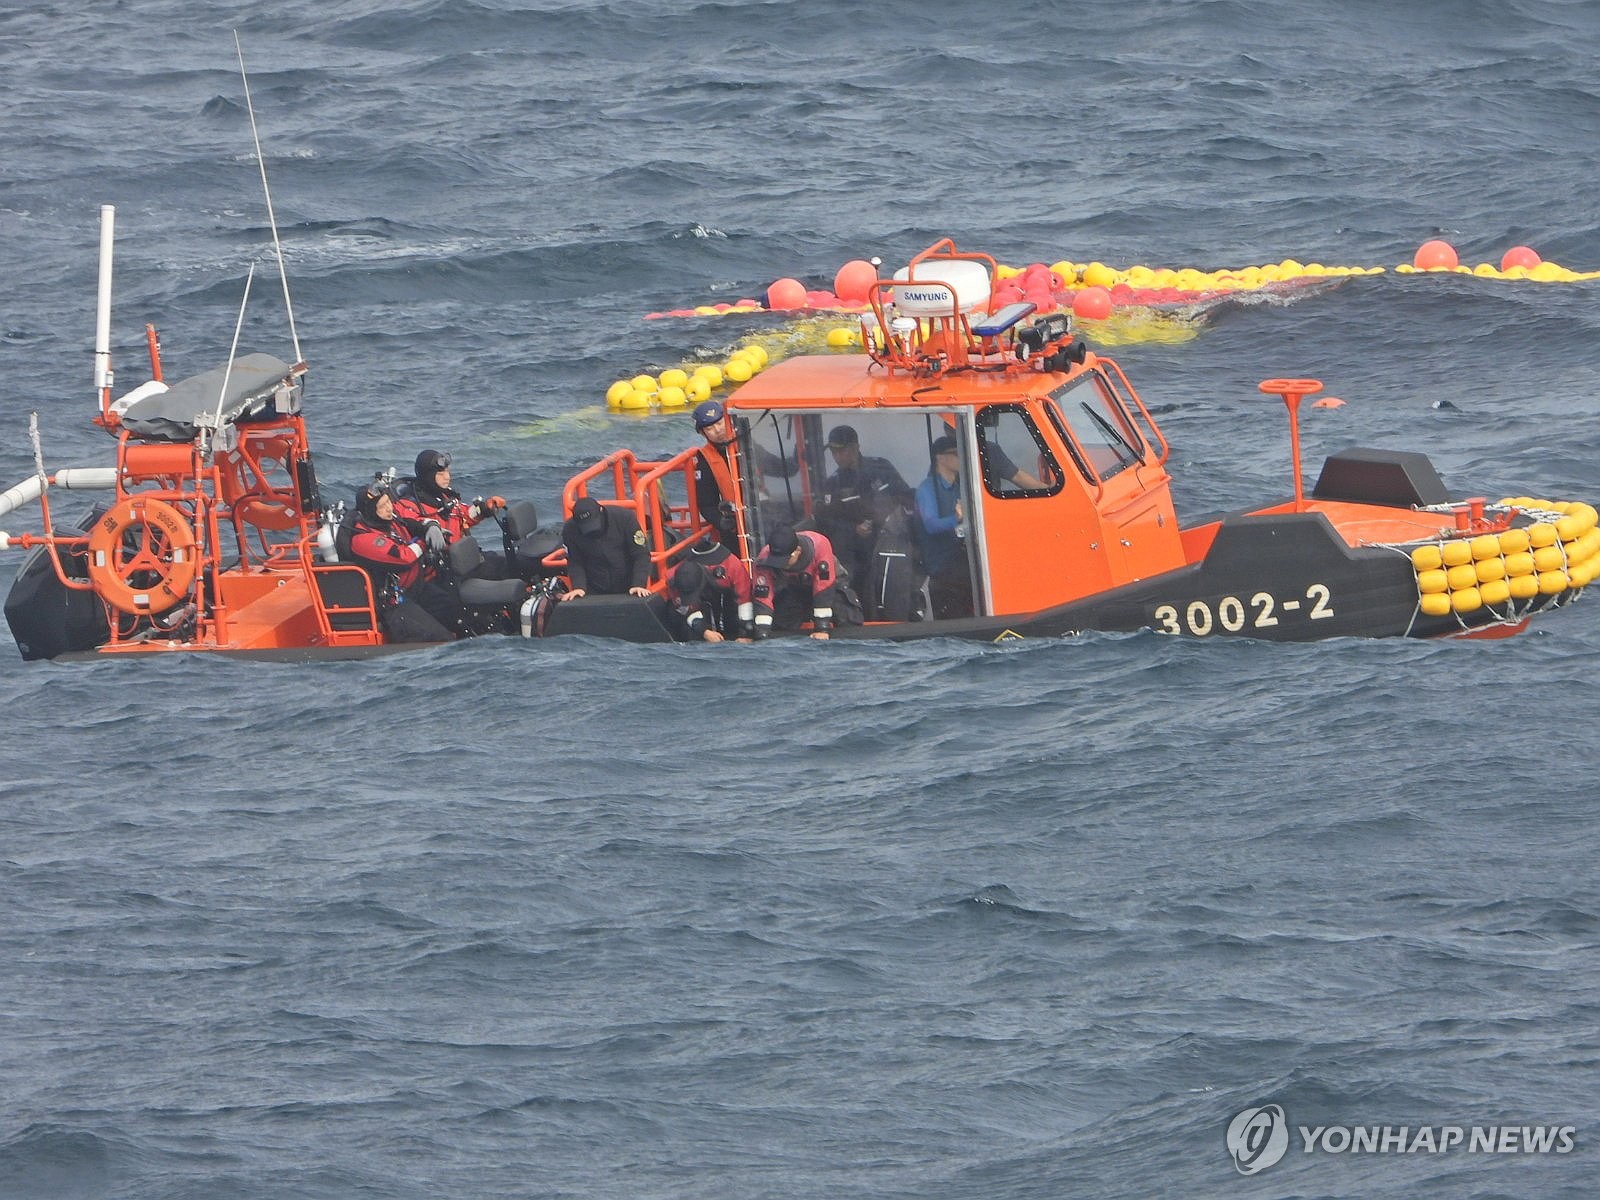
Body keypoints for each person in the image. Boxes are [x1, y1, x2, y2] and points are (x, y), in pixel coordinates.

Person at [345, 480, 456, 642]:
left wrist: (432, 526)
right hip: (394, 605)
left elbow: (414, 521)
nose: (389, 508)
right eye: (382, 506)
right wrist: (425, 541)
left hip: (416, 589)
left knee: (458, 610)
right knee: (439, 637)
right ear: (370, 511)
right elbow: (404, 558)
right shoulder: (364, 540)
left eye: (389, 502)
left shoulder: (391, 522)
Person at [815, 424, 913, 589]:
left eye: (841, 450)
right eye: (833, 452)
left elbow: (905, 497)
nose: (837, 456)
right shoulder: (833, 484)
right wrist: (854, 528)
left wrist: (891, 517)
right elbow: (825, 522)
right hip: (856, 557)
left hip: (892, 548)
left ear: (855, 447)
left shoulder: (881, 468)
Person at [751, 524, 855, 640]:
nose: (779, 565)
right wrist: (762, 633)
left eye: (784, 560)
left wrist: (822, 628)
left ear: (798, 551)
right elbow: (763, 596)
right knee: (781, 623)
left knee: (848, 616)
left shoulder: (820, 545)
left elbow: (823, 587)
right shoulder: (763, 560)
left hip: (832, 586)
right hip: (795, 590)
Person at [914, 435, 975, 619]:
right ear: (940, 458)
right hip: (940, 563)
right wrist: (956, 518)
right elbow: (931, 525)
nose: (960, 458)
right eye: (956, 454)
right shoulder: (926, 489)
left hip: (960, 556)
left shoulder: (960, 487)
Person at [560, 496, 652, 599]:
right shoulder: (570, 529)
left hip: (628, 585)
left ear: (601, 510)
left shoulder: (625, 518)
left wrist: (638, 584)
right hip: (594, 587)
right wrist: (578, 587)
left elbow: (641, 554)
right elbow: (575, 561)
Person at [668, 552, 756, 643]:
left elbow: (745, 600)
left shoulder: (732, 568)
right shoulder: (673, 579)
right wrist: (704, 631)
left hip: (727, 603)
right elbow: (684, 609)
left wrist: (747, 634)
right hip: (699, 616)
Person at [692, 400, 743, 549]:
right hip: (734, 525)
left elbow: (773, 466)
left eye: (720, 423)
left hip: (763, 510)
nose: (717, 430)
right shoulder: (704, 462)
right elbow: (706, 504)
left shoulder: (746, 444)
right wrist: (721, 522)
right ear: (703, 433)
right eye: (710, 428)